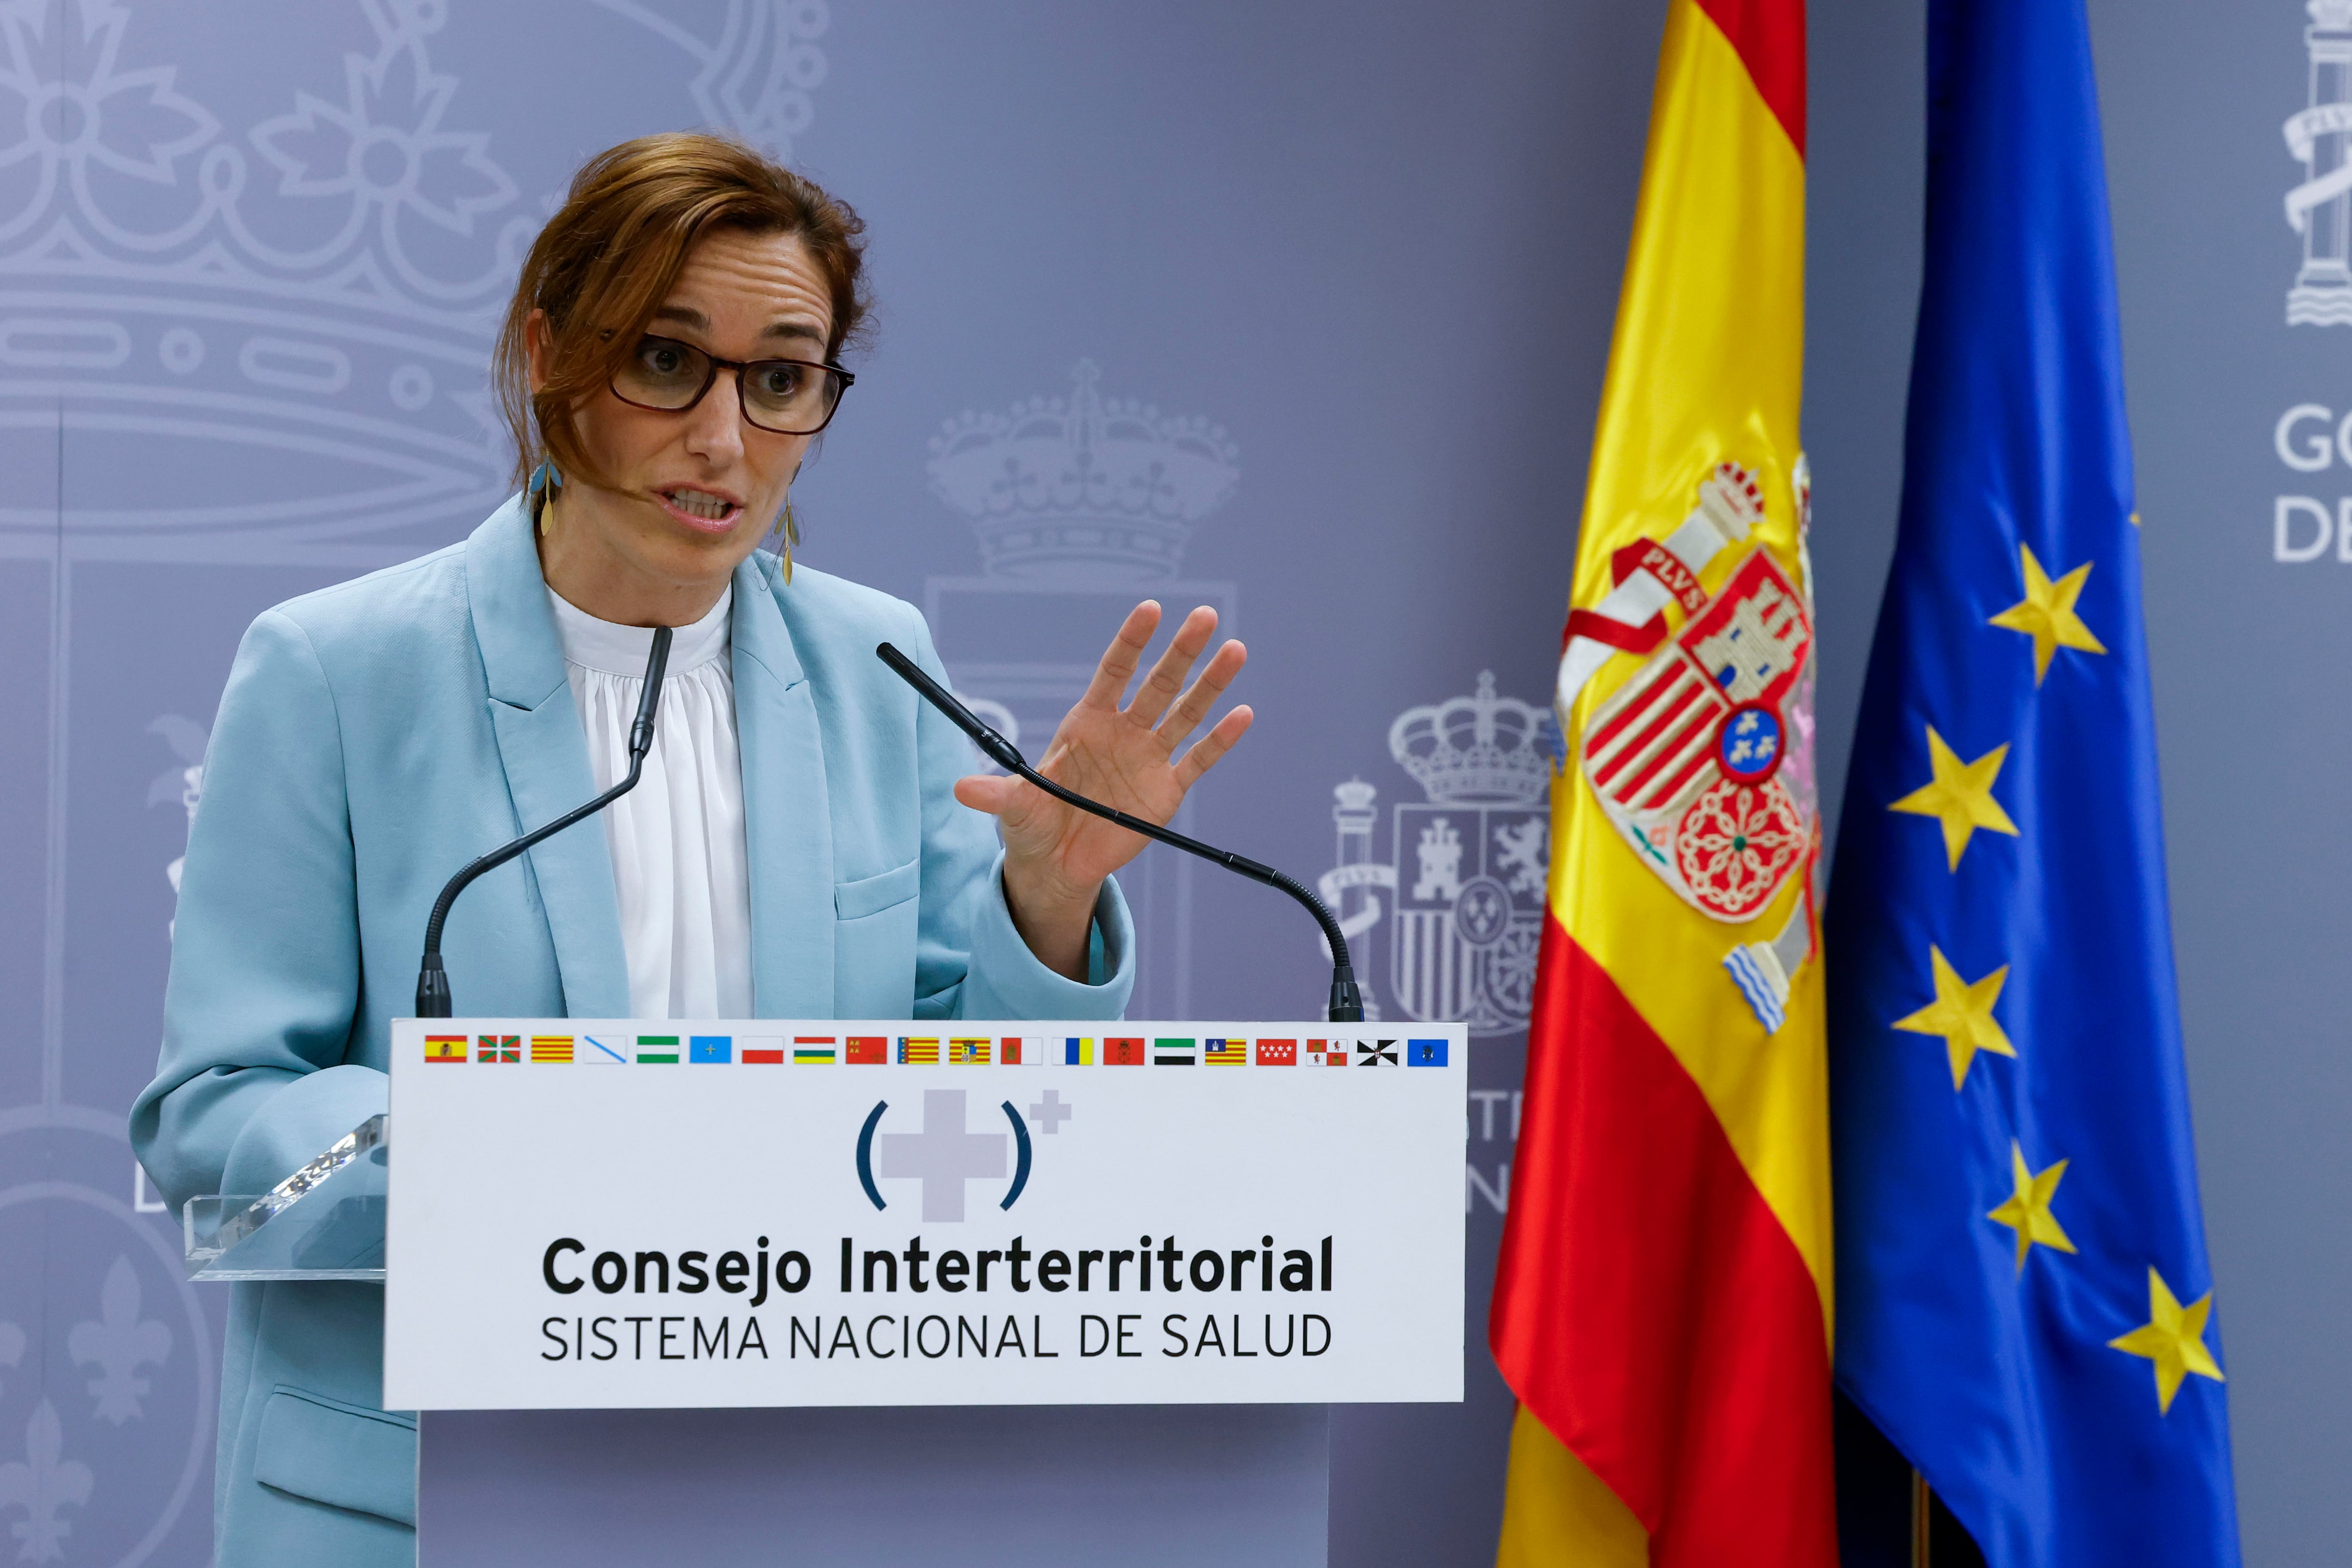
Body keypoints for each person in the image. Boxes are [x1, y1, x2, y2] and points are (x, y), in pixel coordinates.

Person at [129, 133, 1251, 1566]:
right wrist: (499, 1162)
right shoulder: (337, 671)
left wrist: (1047, 897)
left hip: (787, 1491)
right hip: (416, 1505)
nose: (725, 441)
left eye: (782, 379)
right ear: (551, 355)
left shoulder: (878, 664)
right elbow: (215, 1127)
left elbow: (963, 1110)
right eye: (669, 361)